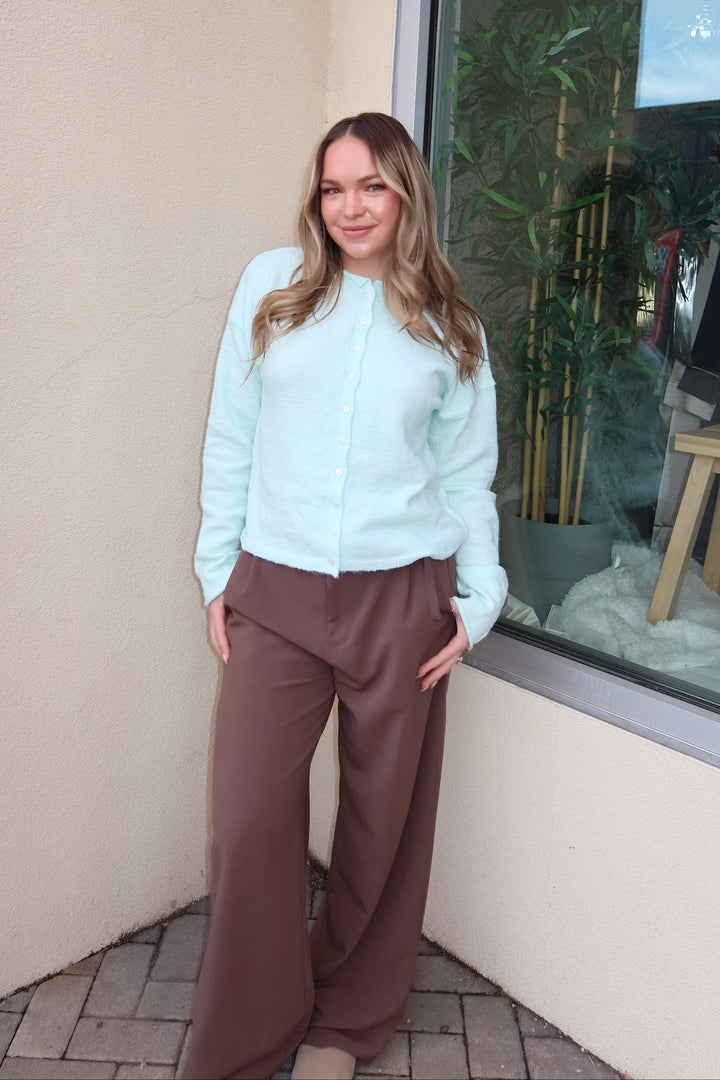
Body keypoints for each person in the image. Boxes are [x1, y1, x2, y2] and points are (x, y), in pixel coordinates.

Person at [183, 112, 507, 1080]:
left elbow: (466, 478)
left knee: (382, 827)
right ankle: (249, 1030)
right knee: (248, 820)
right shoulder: (271, 288)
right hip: (275, 593)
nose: (350, 207)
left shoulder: (450, 327)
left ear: (406, 193)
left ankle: (348, 1025)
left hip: (400, 600)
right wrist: (217, 574)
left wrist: (478, 603)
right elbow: (230, 439)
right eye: (333, 188)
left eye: (371, 186)